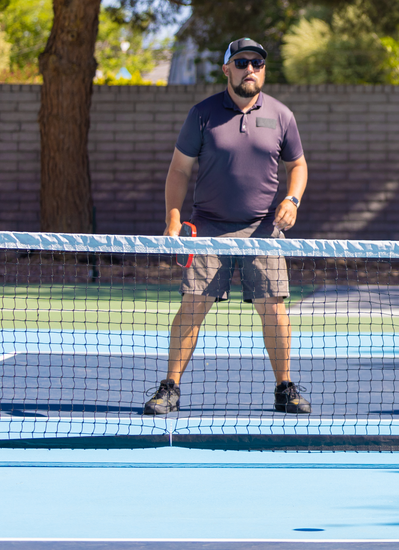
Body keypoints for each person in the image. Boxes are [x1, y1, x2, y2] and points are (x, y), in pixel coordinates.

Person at [143, 38, 312, 415]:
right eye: (241, 62)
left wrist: (292, 200)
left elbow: (297, 165)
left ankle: (284, 388)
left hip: (263, 230)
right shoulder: (202, 114)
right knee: (193, 305)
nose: (250, 68)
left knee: (274, 309)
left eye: (257, 63)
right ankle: (170, 388)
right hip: (208, 228)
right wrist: (173, 218)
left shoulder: (281, 115)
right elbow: (179, 169)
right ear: (226, 69)